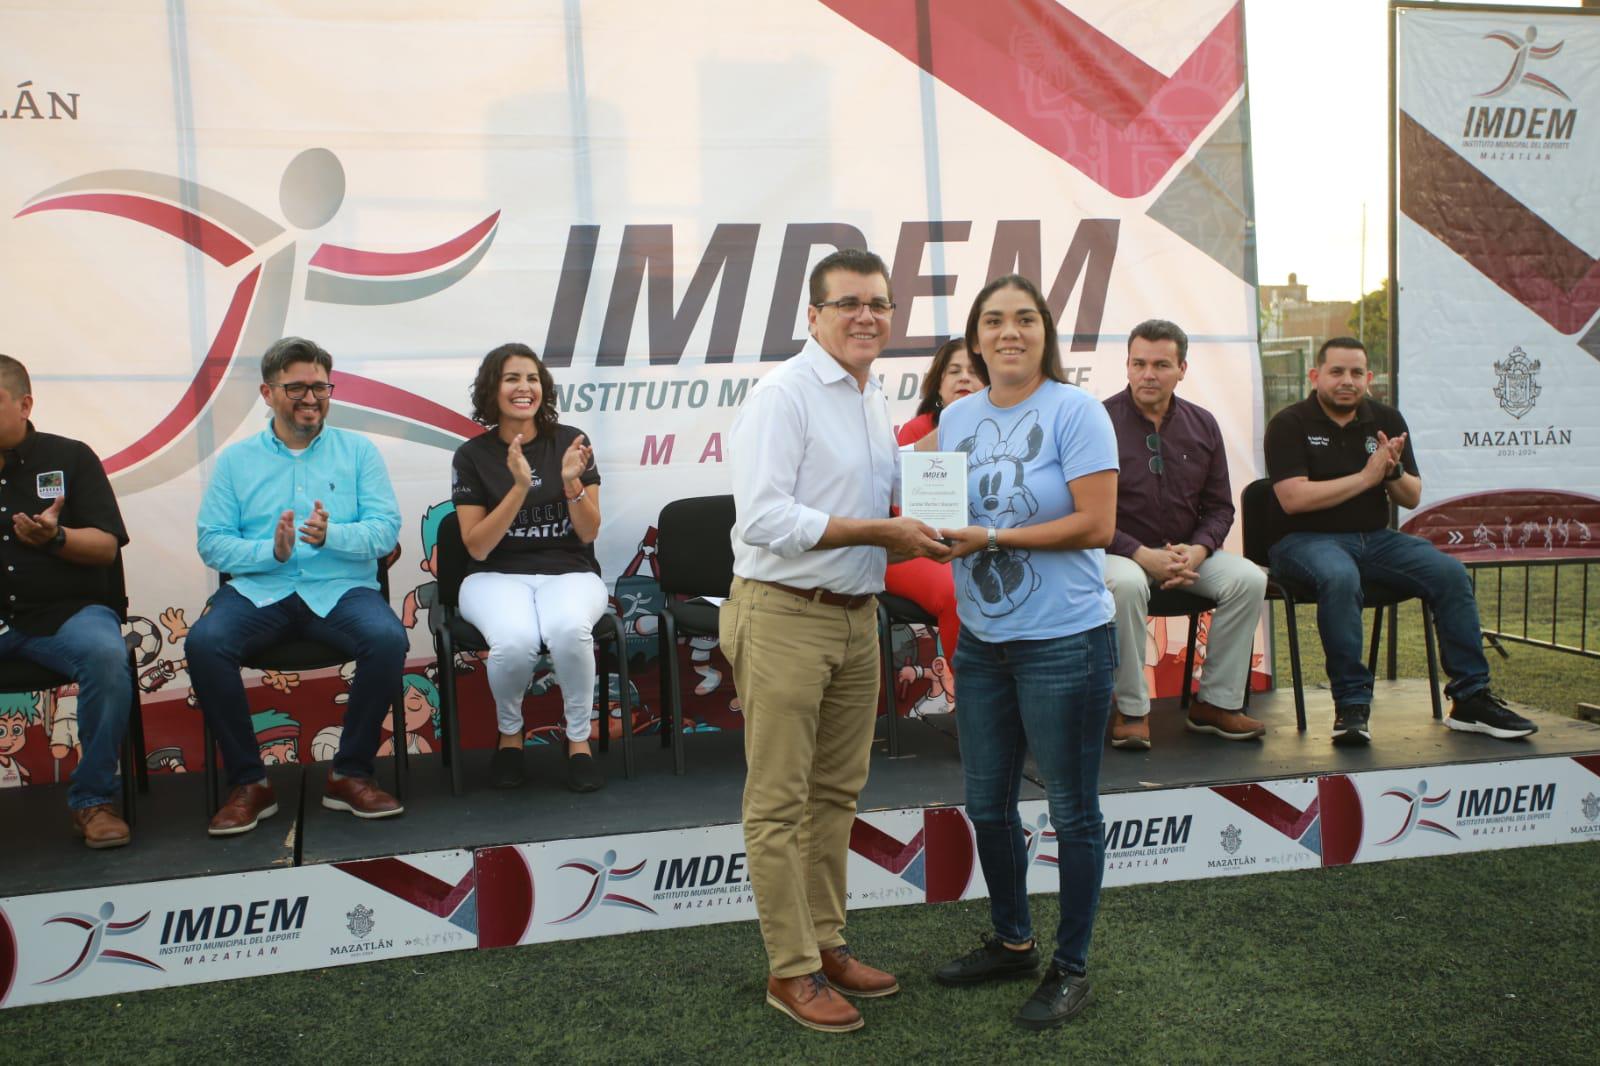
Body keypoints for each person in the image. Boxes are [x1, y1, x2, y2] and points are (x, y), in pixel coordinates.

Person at [723, 248, 950, 1033]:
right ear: (813, 315)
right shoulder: (782, 395)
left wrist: (941, 507)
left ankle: (826, 943)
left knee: (835, 795)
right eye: (848, 303)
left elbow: (885, 497)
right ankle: (790, 971)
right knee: (779, 802)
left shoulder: (868, 393)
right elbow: (763, 519)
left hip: (855, 616)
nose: (866, 316)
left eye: (879, 304)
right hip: (784, 613)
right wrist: (881, 531)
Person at [929, 274, 1119, 1031]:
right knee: (987, 806)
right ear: (975, 339)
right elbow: (941, 516)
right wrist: (927, 532)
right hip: (983, 644)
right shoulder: (955, 417)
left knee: (1072, 812)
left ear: (1045, 332)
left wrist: (992, 536)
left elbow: (1097, 524)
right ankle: (1013, 942)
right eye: (994, 321)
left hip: (1064, 642)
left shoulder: (1077, 411)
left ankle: (1071, 968)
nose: (1009, 332)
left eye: (1025, 319)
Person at [1263, 337, 1536, 744]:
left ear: (1369, 378)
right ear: (1315, 376)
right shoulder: (1289, 423)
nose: (1347, 381)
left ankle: (1470, 698)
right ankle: (1352, 706)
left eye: (1356, 373)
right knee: (1340, 577)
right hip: (1303, 541)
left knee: (1449, 572)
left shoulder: (1386, 418)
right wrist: (1366, 478)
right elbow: (1293, 499)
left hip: (1375, 539)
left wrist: (1391, 472)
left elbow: (1411, 496)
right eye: (1336, 372)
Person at [188, 337, 407, 835]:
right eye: (297, 388)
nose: (311, 398)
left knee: (388, 638)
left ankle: (350, 774)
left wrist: (333, 536)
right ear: (267, 393)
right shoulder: (236, 461)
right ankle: (249, 783)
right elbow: (212, 543)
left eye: (320, 387)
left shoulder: (359, 452)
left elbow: (385, 531)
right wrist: (271, 552)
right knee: (204, 643)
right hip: (259, 591)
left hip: (341, 590)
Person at [1103, 319, 1267, 750]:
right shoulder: (1099, 421)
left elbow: (1220, 508)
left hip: (1187, 555)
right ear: (1127, 365)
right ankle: (1131, 710)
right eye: (1138, 363)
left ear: (1182, 369)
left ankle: (1215, 704)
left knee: (1249, 579)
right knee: (1124, 584)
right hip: (1118, 553)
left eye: (1161, 365)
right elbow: (1086, 512)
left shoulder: (1203, 424)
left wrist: (1197, 551)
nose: (1148, 374)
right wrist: (1141, 554)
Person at [452, 342, 606, 793]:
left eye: (532, 378)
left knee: (569, 630)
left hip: (570, 571)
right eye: (512, 378)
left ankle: (578, 740)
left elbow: (589, 532)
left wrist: (572, 483)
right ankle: (510, 736)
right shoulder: (472, 456)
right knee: (515, 642)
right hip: (493, 575)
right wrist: (519, 487)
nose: (524, 387)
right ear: (492, 390)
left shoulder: (570, 442)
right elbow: (477, 546)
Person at [0, 354, 134, 847]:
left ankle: (93, 800)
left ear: (25, 405)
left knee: (105, 655)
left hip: (67, 615)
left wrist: (55, 538)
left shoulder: (71, 458)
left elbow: (105, 547)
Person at [883, 337, 985, 705]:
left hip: (983, 543)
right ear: (938, 385)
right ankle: (975, 703)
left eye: (974, 371)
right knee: (956, 591)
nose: (964, 378)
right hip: (914, 550)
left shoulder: (1005, 431)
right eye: (954, 371)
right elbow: (905, 516)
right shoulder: (918, 431)